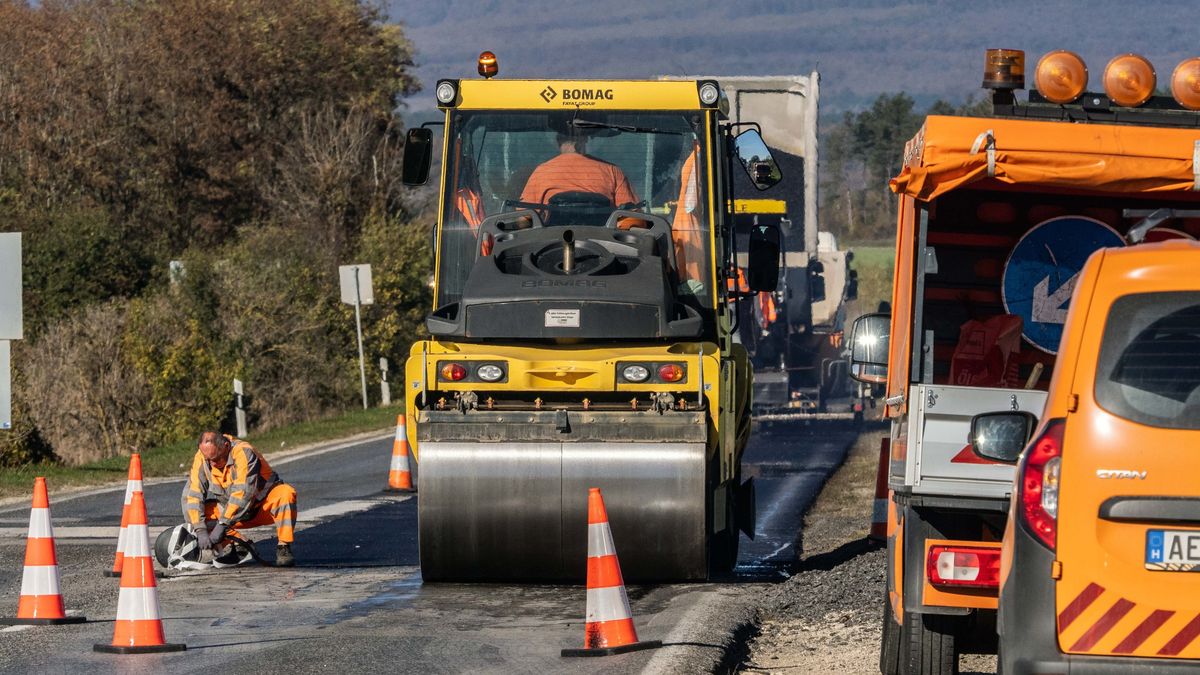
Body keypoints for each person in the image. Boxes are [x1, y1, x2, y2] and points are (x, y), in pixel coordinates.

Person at [181, 432, 297, 567]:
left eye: (216, 458)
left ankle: (284, 547)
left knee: (286, 493)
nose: (212, 463)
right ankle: (241, 544)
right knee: (195, 513)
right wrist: (200, 529)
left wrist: (222, 525)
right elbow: (193, 494)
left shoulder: (243, 452)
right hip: (232, 514)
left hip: (262, 508)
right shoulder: (203, 457)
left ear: (225, 446)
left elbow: (243, 494)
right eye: (208, 460)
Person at [520, 130, 639, 213]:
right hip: (604, 244)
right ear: (585, 140)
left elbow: (525, 218)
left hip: (552, 245)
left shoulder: (542, 172)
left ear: (558, 141)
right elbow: (631, 218)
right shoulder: (612, 171)